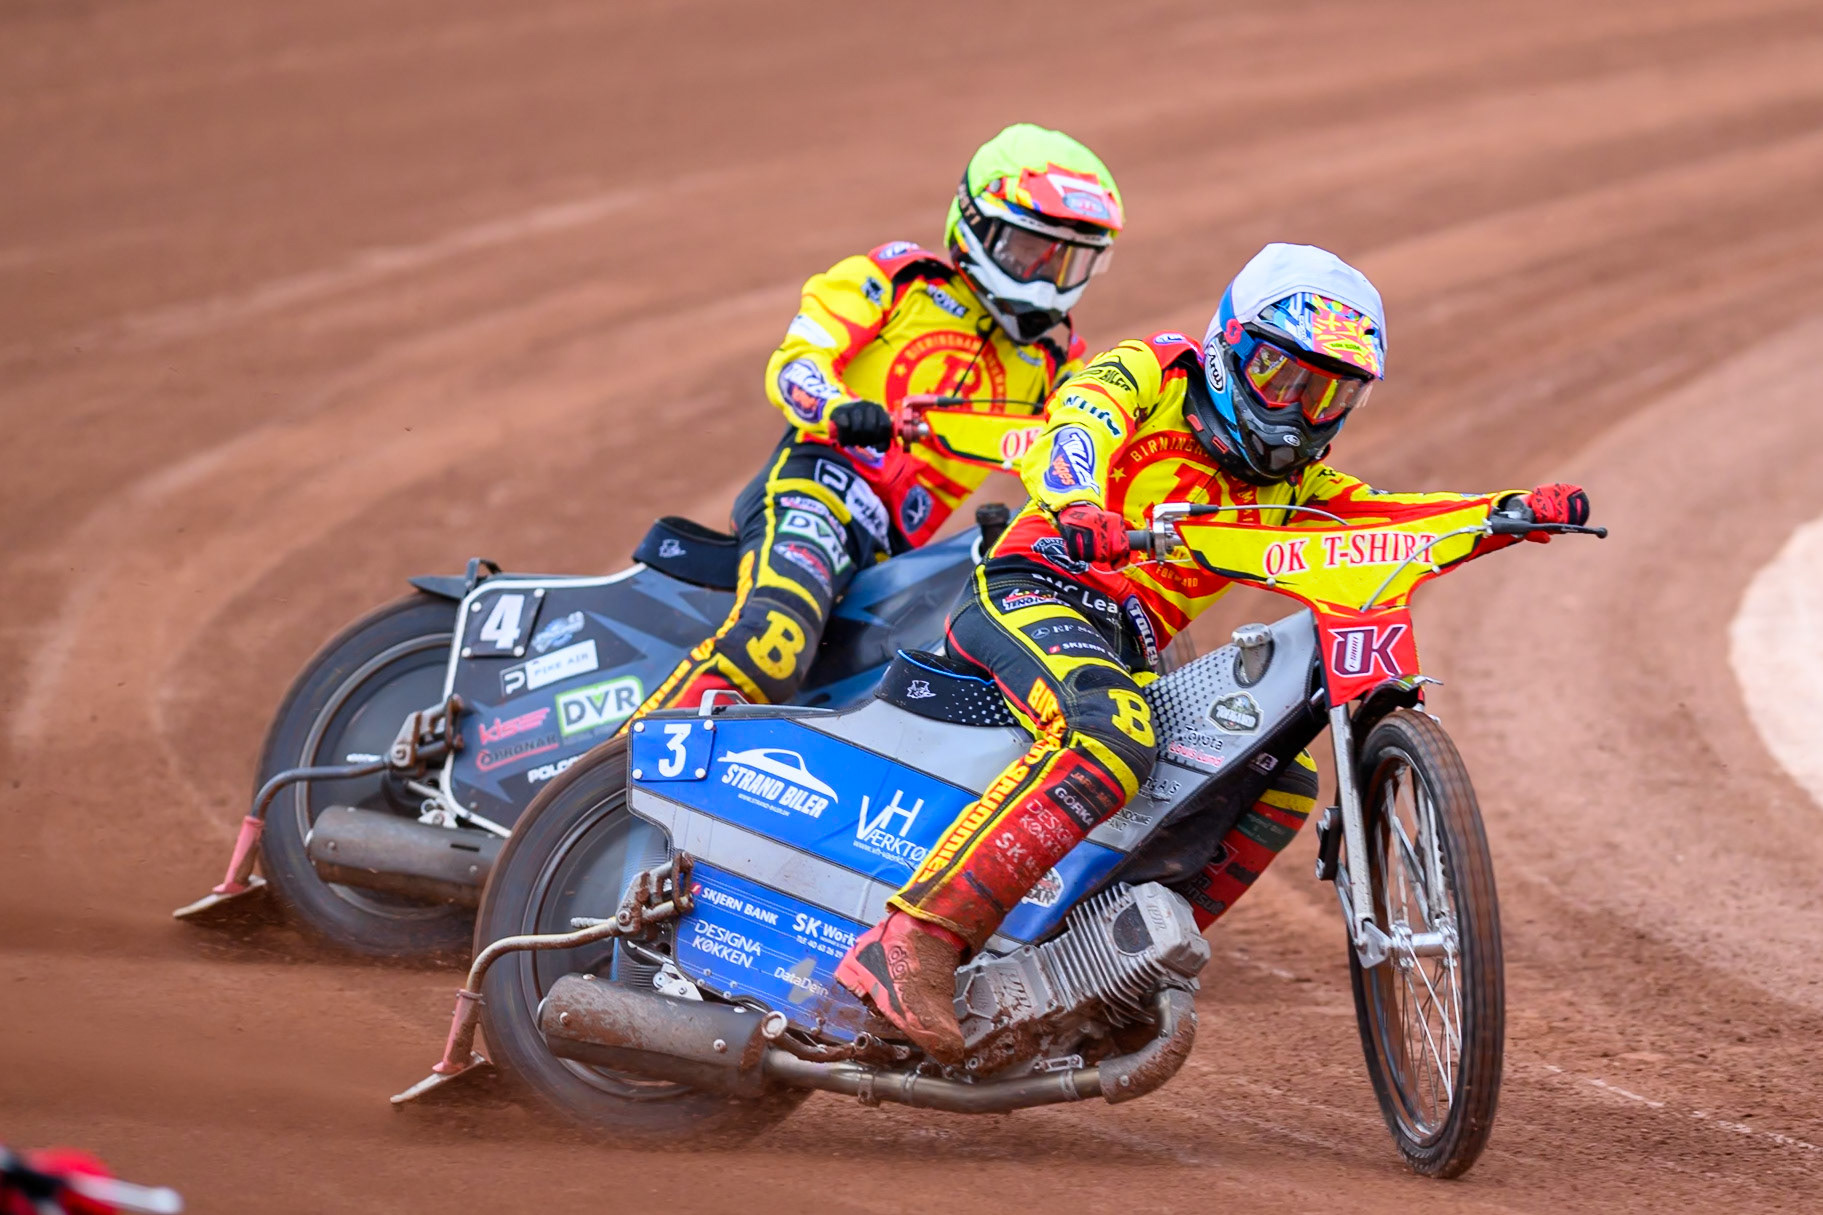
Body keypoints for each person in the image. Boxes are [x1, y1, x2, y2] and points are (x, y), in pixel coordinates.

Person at [834, 242, 1591, 1061]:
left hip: (1124, 640)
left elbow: (1392, 516)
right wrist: (1079, 502)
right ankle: (912, 941)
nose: (1297, 409)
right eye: (1279, 377)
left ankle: (1097, 971)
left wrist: (1507, 510)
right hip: (1034, 584)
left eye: (1326, 393)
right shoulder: (1155, 371)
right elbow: (1077, 423)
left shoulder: (1297, 488)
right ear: (1228, 348)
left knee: (1275, 778)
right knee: (1109, 735)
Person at [633, 124, 1125, 714]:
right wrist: (839, 408)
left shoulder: (1059, 363)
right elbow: (798, 361)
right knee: (771, 649)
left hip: (898, 560)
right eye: (1031, 251)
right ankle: (606, 785)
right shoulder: (900, 281)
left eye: (1069, 262)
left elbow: (1085, 453)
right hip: (817, 495)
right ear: (979, 226)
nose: (1048, 281)